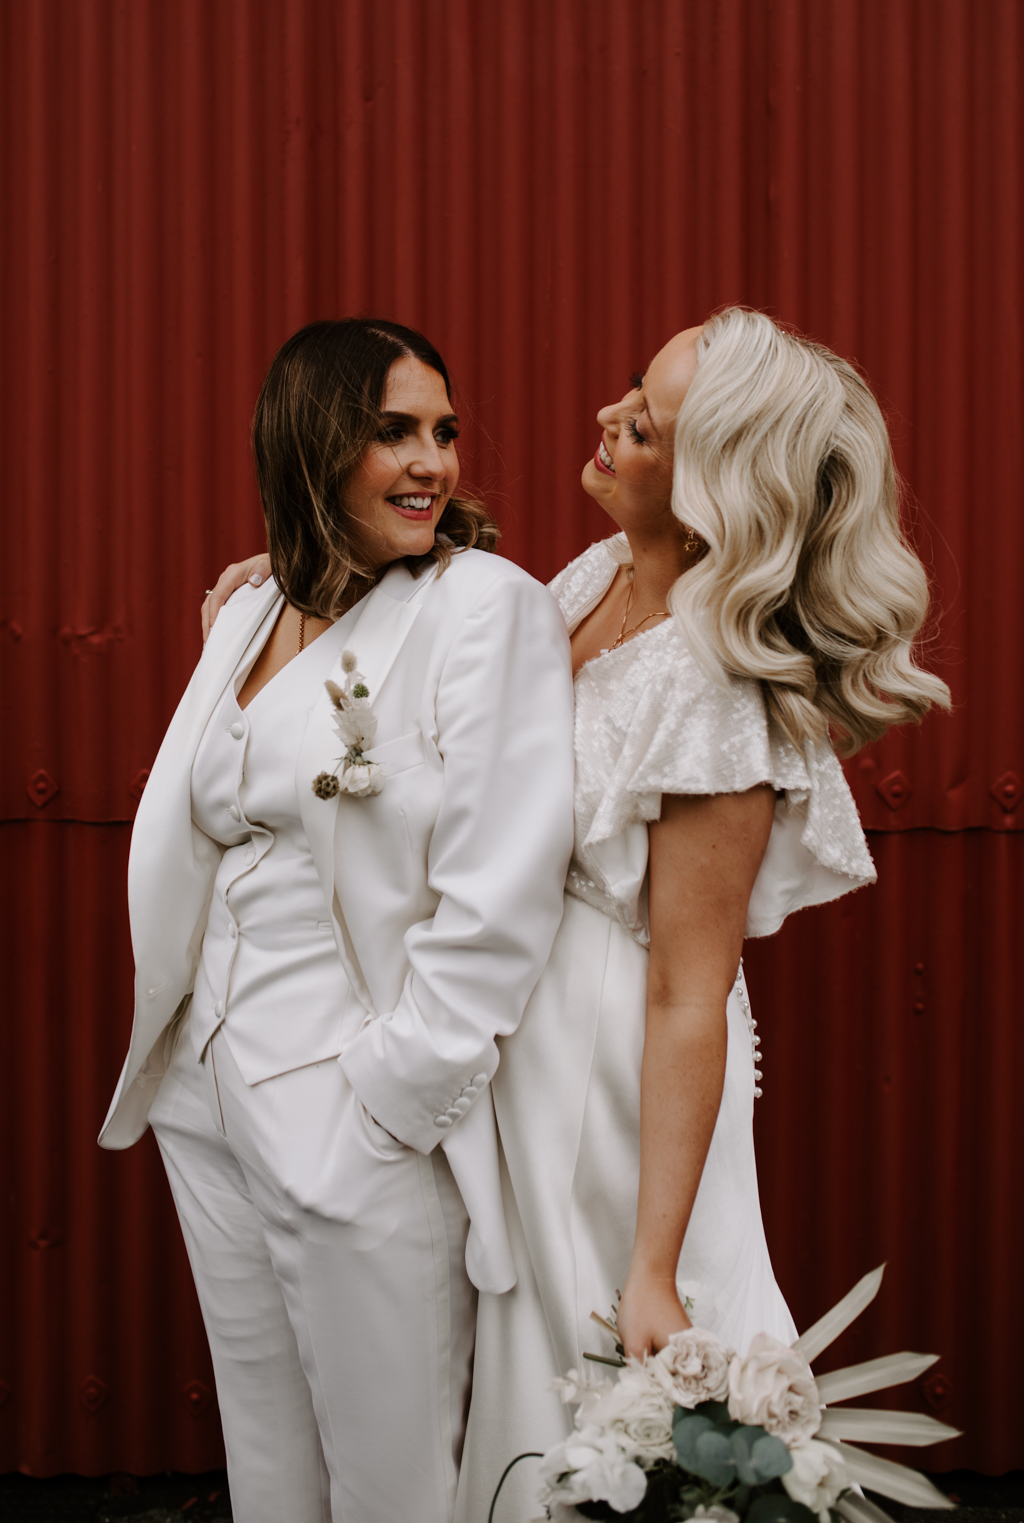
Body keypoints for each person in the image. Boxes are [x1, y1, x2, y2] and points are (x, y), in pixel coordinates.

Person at [206, 308, 950, 1523]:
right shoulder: (595, 582)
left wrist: (653, 1264)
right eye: (626, 387)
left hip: (615, 1074)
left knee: (597, 1360)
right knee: (507, 1374)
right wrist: (295, 602)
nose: (609, 419)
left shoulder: (715, 686)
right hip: (522, 1044)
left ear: (712, 483)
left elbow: (687, 989)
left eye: (646, 425)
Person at [99, 318, 575, 1523]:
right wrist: (182, 1069)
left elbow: (499, 883)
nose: (432, 463)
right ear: (310, 443)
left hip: (349, 1102)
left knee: (393, 1484)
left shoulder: (483, 610)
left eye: (444, 433)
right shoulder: (254, 608)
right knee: (267, 1463)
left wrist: (391, 1102)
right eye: (392, 432)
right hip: (202, 1088)